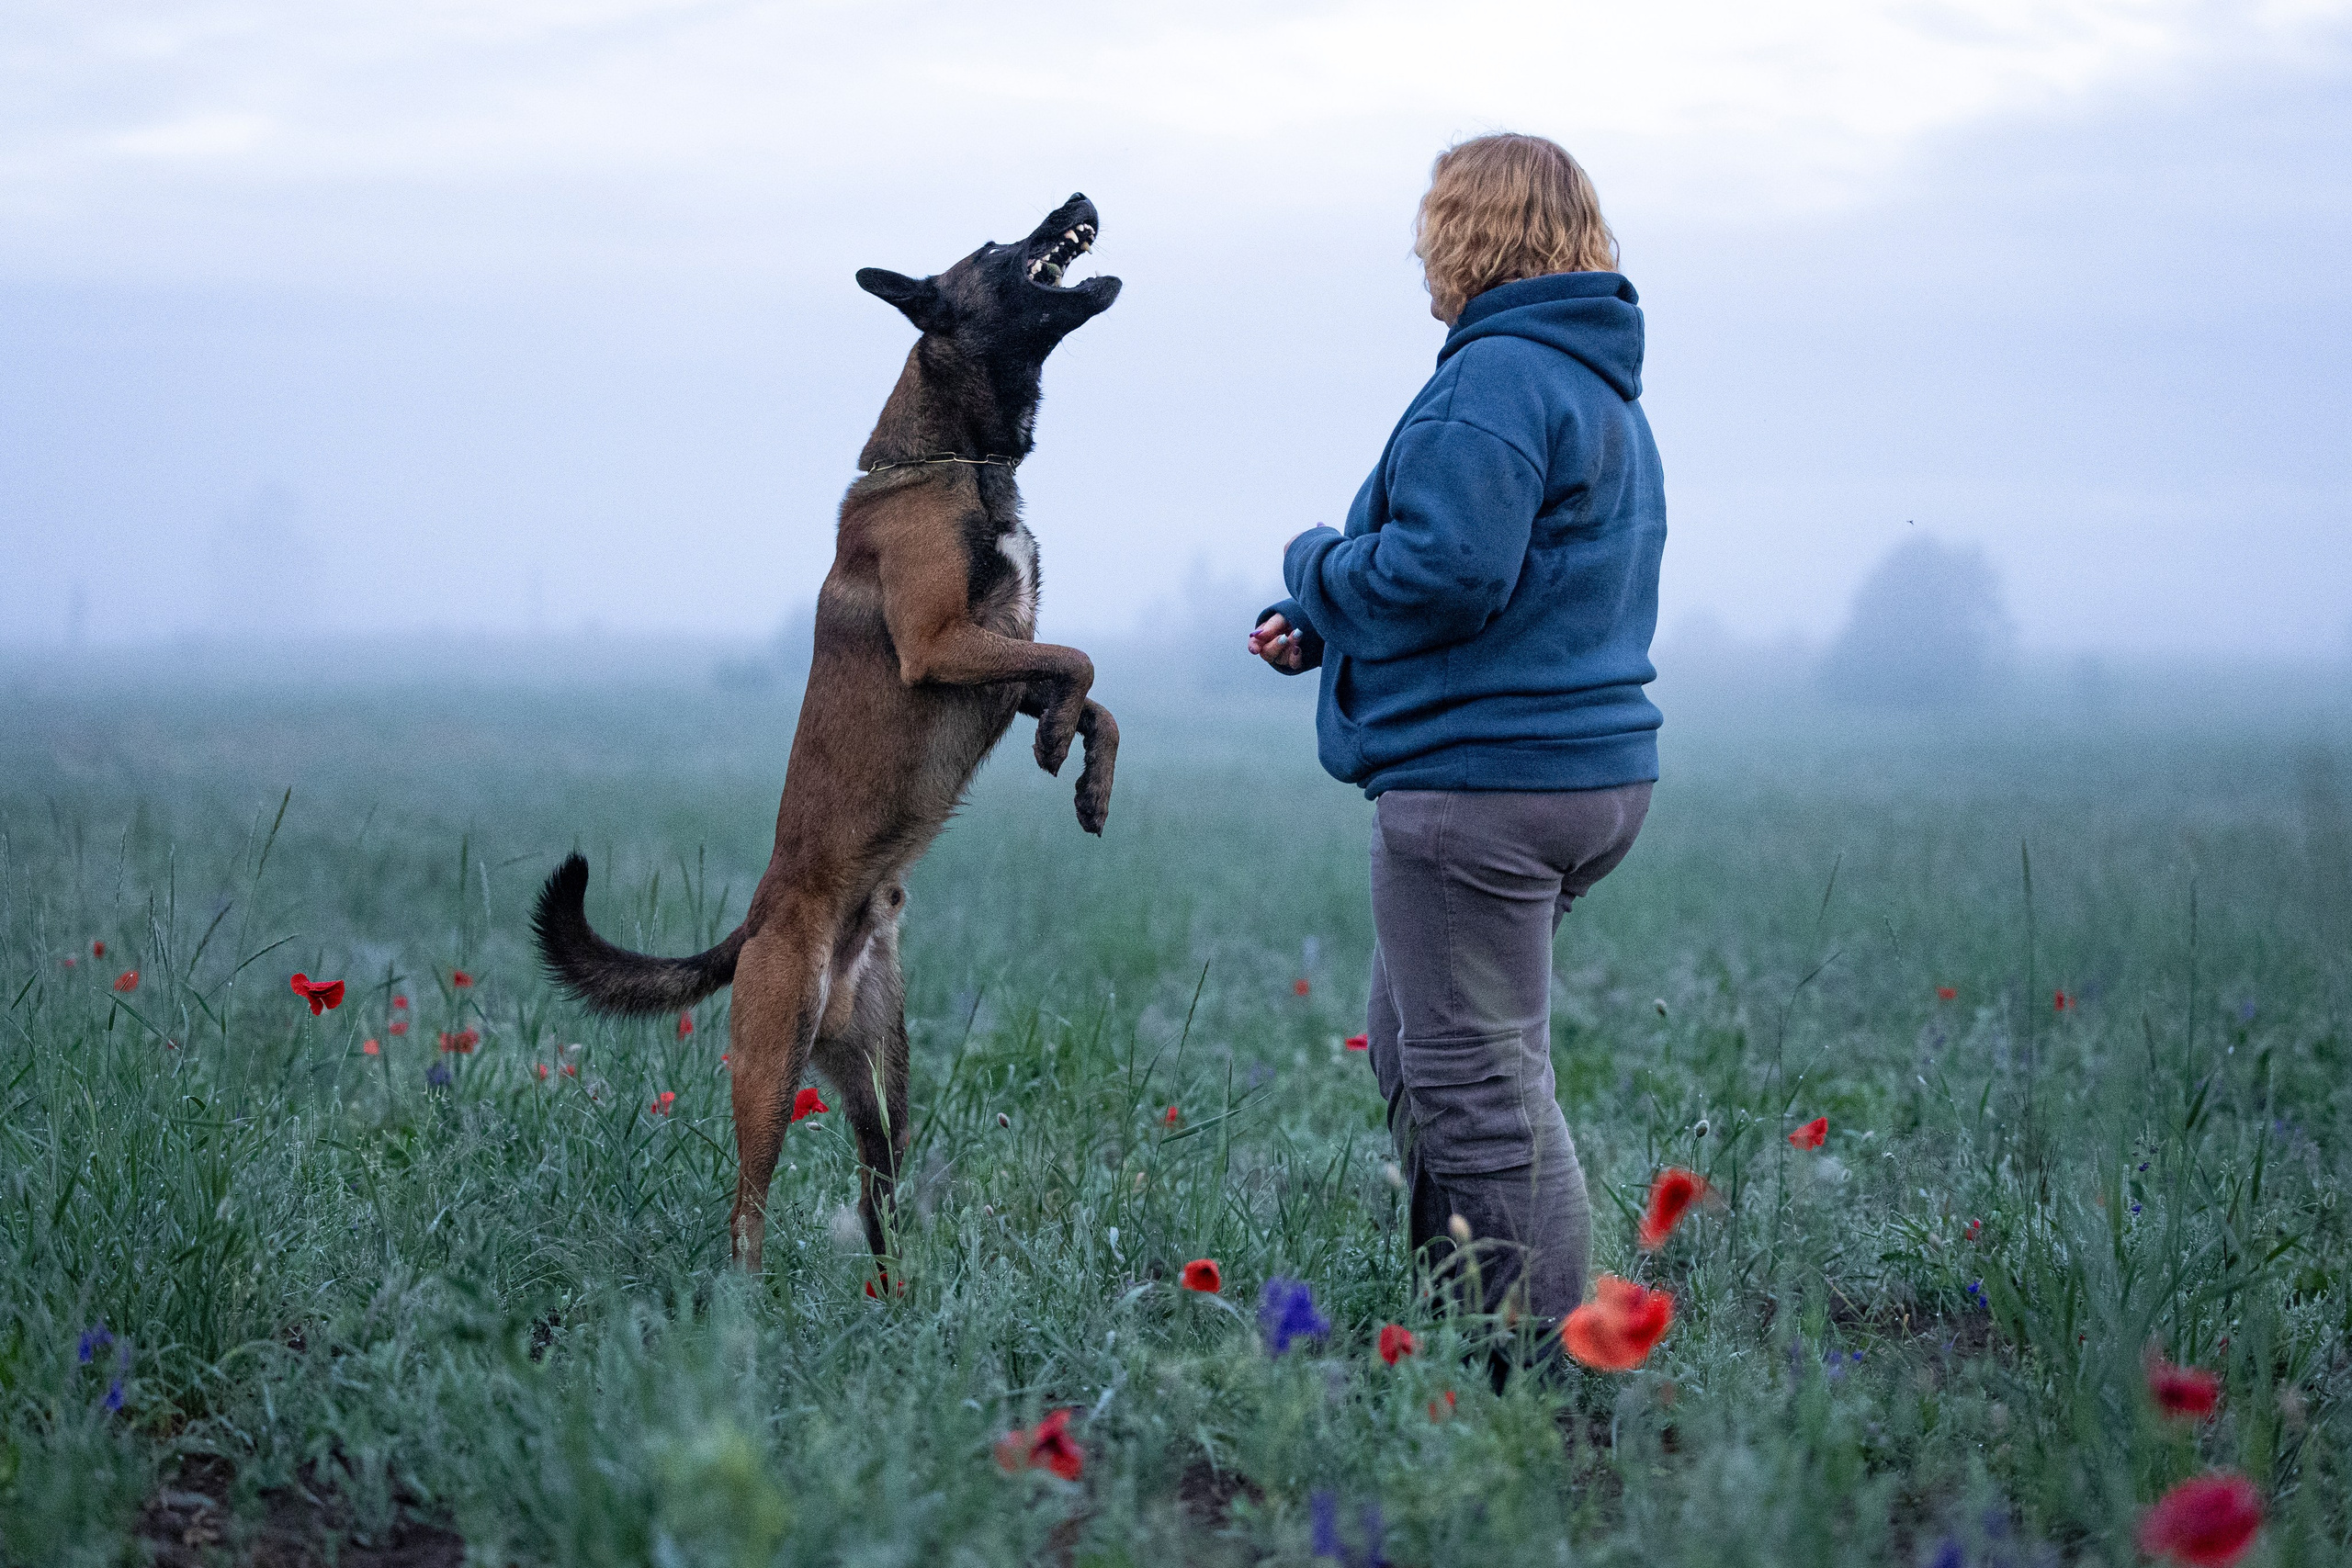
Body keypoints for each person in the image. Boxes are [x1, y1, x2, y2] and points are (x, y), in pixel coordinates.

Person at [1249, 133, 1666, 1359]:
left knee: (1483, 1093)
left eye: (1434, 225)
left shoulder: (1495, 380)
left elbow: (1451, 569)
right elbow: (1515, 589)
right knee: (1423, 1046)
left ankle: (1533, 1377)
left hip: (1484, 791)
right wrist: (1331, 626)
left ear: (1469, 234)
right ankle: (1459, 1311)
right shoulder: (1596, 387)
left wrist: (1317, 563)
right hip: (1587, 775)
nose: (1421, 250)